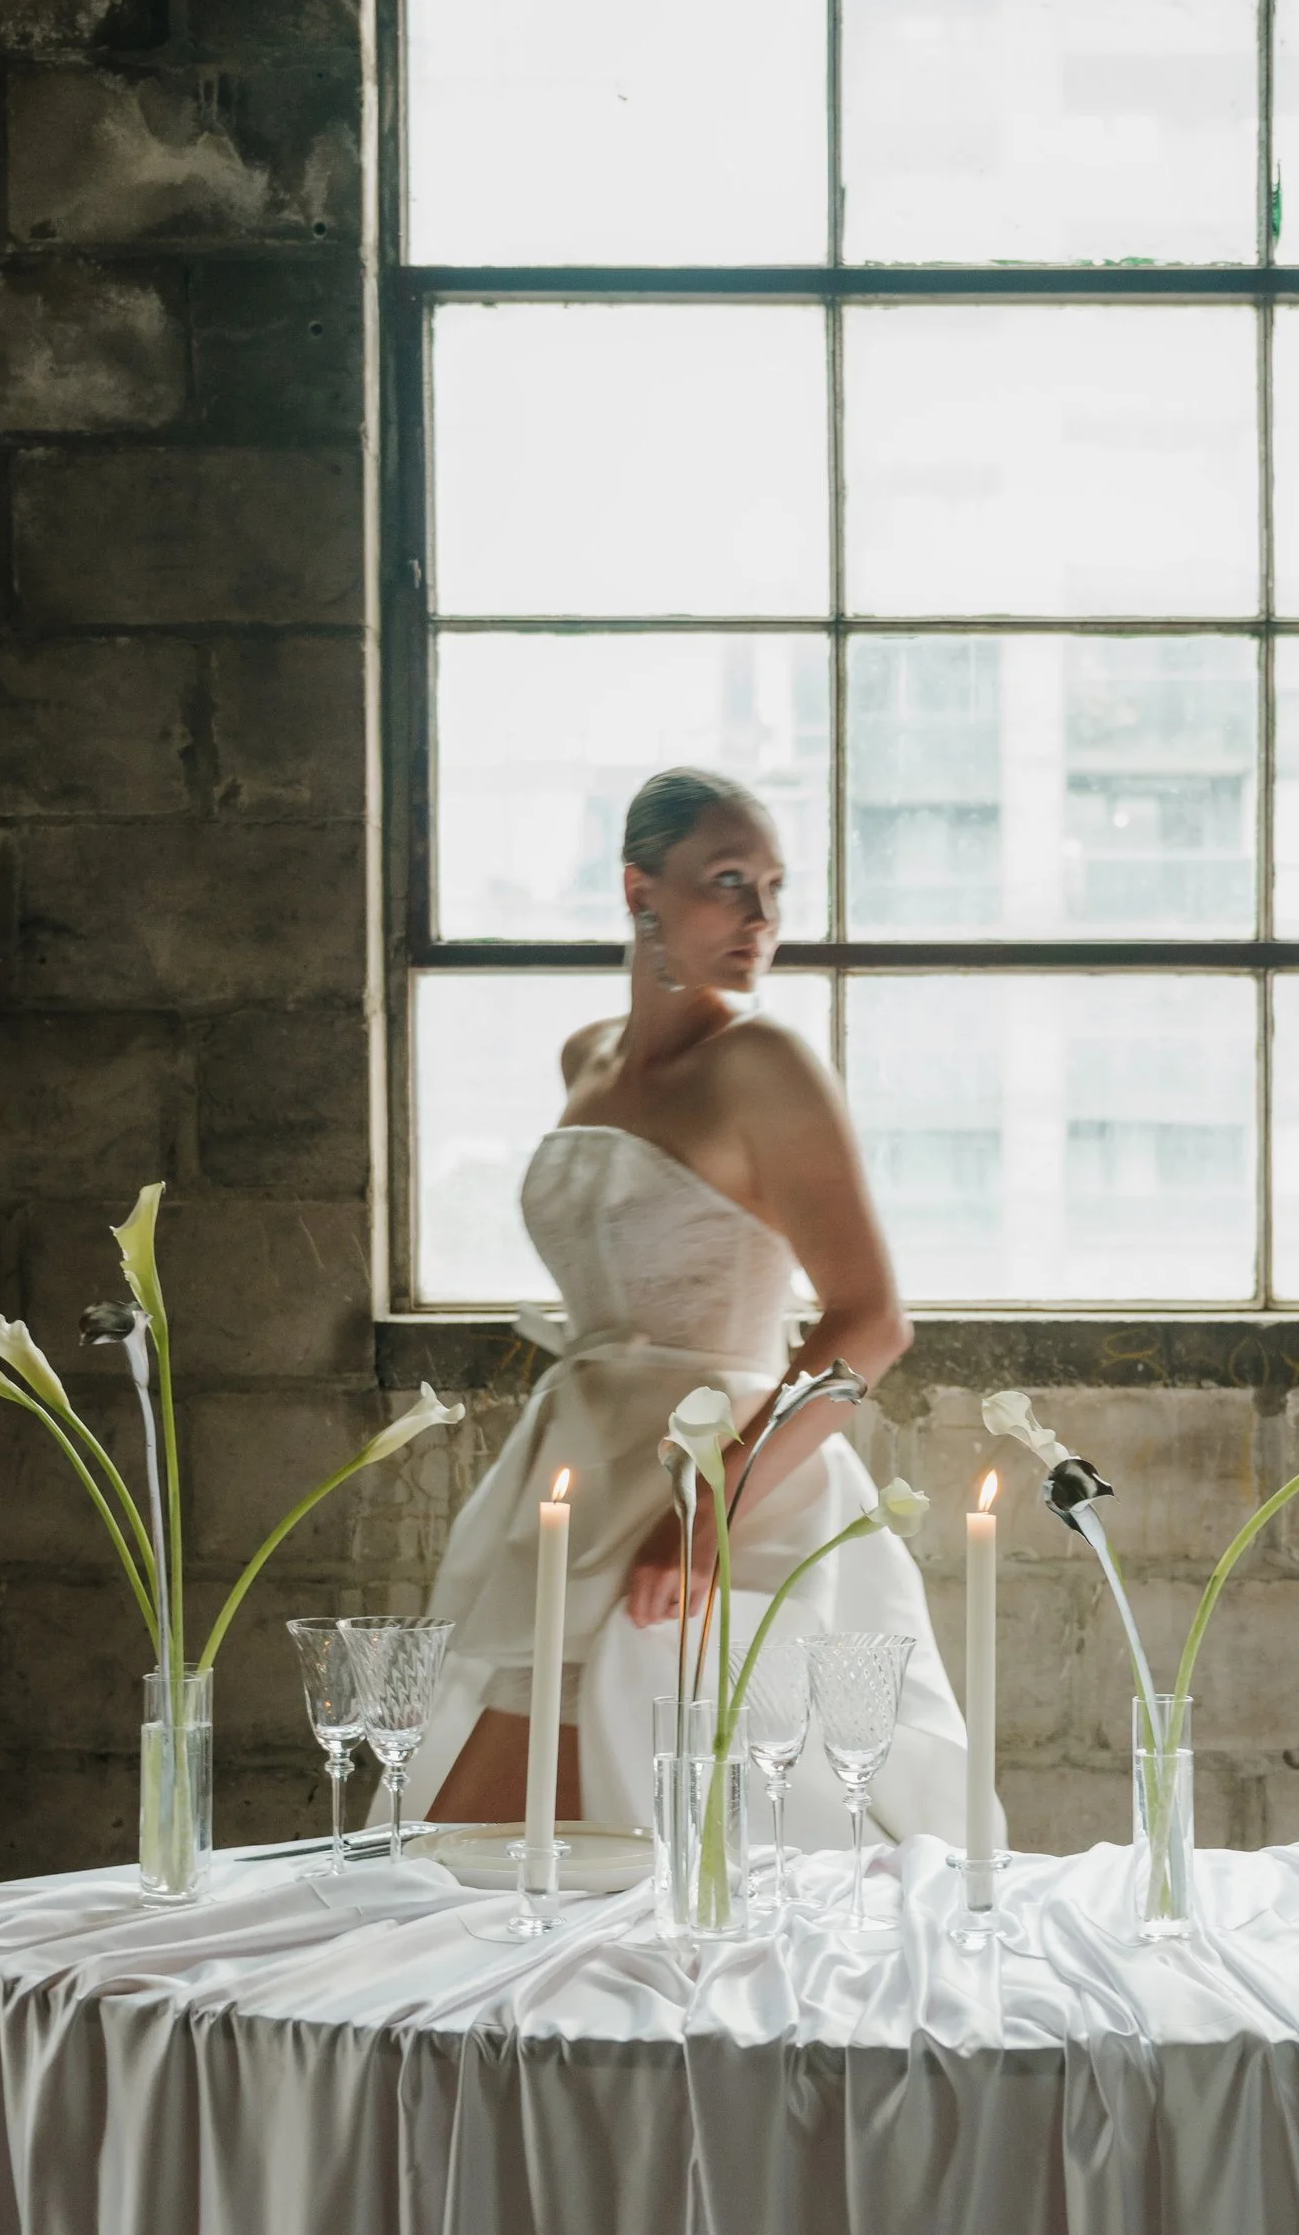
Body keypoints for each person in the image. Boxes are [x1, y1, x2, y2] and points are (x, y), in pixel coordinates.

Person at [411, 766, 968, 1842]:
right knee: (494, 1850)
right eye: (727, 882)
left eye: (774, 887)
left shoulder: (764, 1065)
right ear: (639, 890)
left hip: (725, 1475)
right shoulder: (586, 1058)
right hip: (576, 1464)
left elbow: (871, 1323)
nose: (762, 919)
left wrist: (706, 1513)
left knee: (704, 1840)